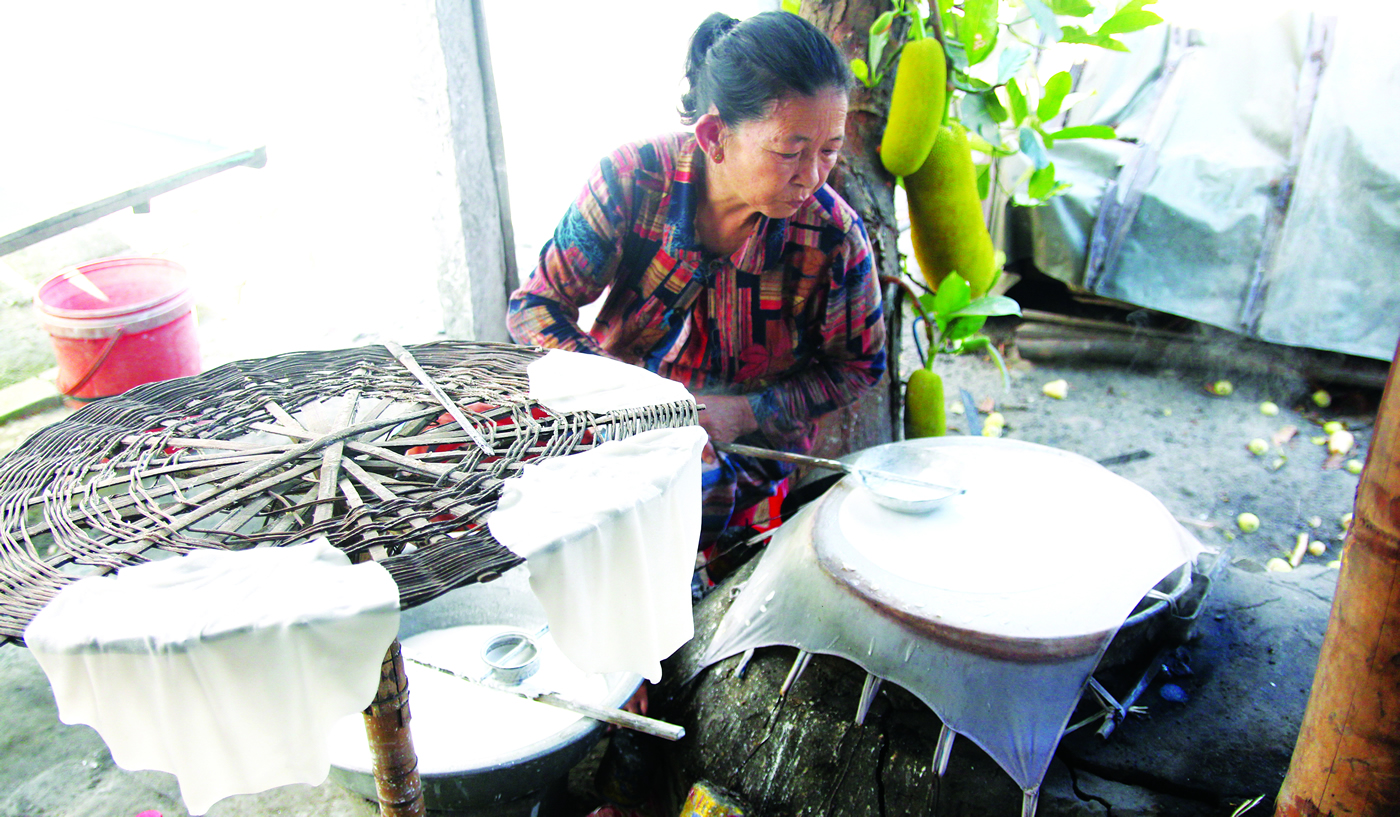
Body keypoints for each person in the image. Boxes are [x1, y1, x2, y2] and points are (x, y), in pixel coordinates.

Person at [506, 10, 885, 579]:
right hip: (610, 427)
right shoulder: (633, 181)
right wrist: (628, 399)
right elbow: (536, 307)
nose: (812, 177)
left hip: (744, 460)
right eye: (791, 152)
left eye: (829, 151)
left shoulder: (832, 239)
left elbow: (859, 365)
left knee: (690, 536)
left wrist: (745, 412)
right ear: (714, 137)